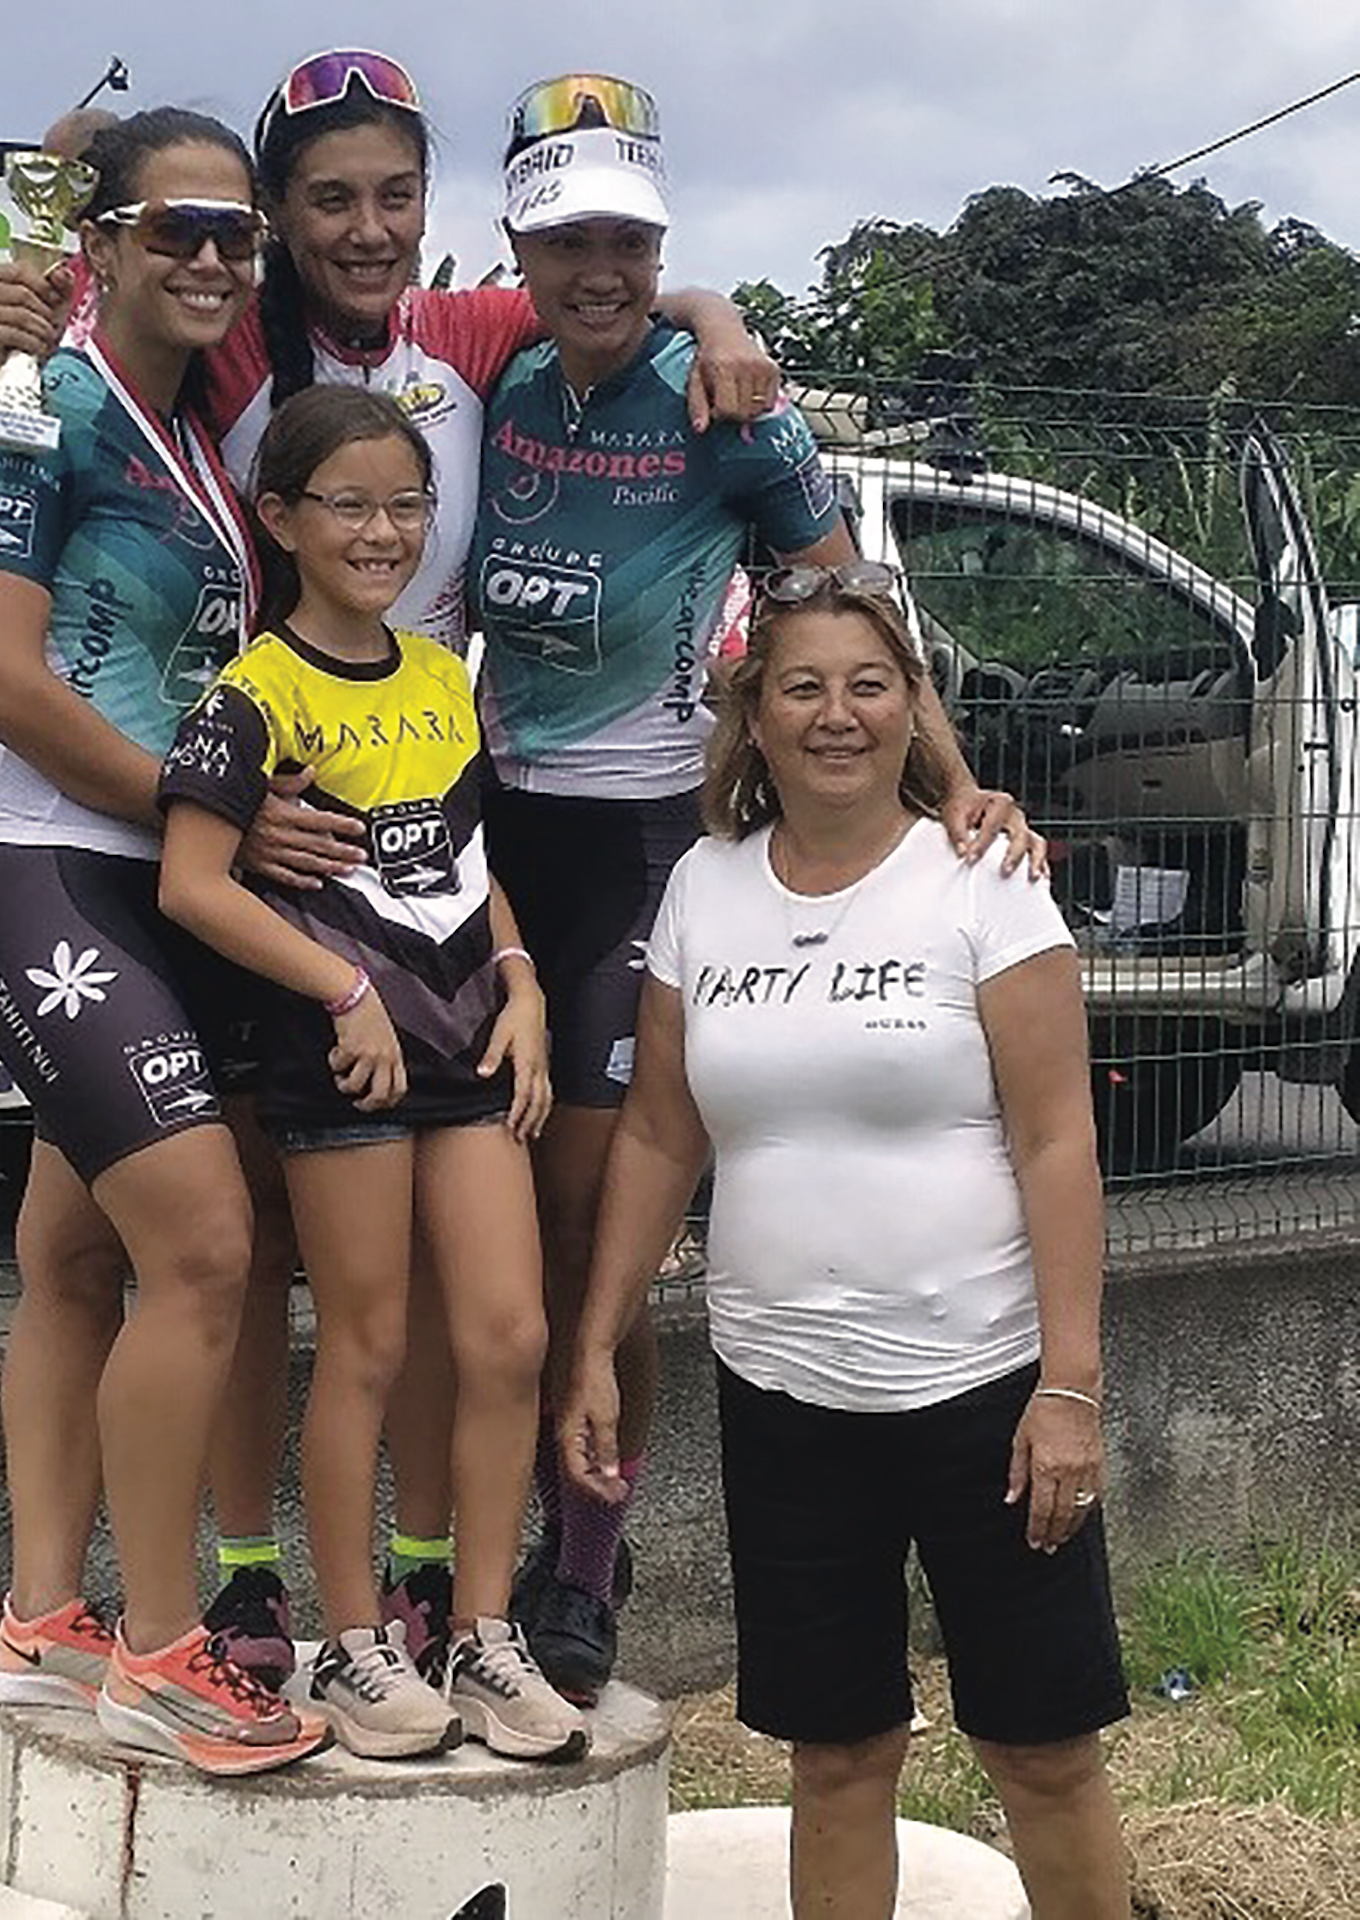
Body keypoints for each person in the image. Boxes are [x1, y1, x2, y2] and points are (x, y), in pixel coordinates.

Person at [0, 48, 783, 1689]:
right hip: (239, 835)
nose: (365, 229)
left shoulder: (462, 329)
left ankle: (530, 1579)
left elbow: (618, 290)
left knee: (543, 1243)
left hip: (449, 826)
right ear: (264, 219)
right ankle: (233, 1590)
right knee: (208, 1231)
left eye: (395, 195)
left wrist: (726, 327)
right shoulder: (217, 331)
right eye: (324, 200)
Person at [471, 73, 1041, 1703]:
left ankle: (583, 1565)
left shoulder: (729, 403)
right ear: (519, 238)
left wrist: (947, 778)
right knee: (479, 1237)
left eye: (631, 241)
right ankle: (457, 1567)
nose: (600, 267)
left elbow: (843, 611)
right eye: (568, 234)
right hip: (492, 825)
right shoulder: (483, 365)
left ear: (660, 245)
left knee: (592, 1235)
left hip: (644, 843)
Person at [561, 565, 1132, 1916]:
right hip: (783, 1396)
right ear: (751, 716)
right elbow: (655, 1136)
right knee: (834, 1753)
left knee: (1038, 1749)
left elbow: (1058, 1143)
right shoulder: (703, 887)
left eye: (867, 686)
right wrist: (593, 1338)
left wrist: (1068, 1387)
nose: (835, 716)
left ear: (910, 709)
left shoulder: (984, 878)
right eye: (801, 687)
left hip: (986, 1393)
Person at [0, 106, 332, 1776]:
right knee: (210, 1254)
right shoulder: (49, 400)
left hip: (141, 882)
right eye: (171, 226)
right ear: (94, 245)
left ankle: (42, 1621)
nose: (211, 258)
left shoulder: (200, 420)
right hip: (44, 867)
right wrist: (203, 800)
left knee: (79, 1259)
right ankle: (167, 1654)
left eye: (234, 234)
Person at [156, 384, 587, 1763]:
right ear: (279, 519)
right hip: (340, 1064)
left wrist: (518, 983)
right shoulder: (250, 694)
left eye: (407, 504)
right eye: (347, 504)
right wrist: (340, 989)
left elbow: (470, 865)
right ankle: (347, 1647)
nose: (381, 531)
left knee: (508, 1338)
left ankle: (476, 1634)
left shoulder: (440, 676)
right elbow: (191, 885)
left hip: (469, 1050)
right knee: (369, 1347)